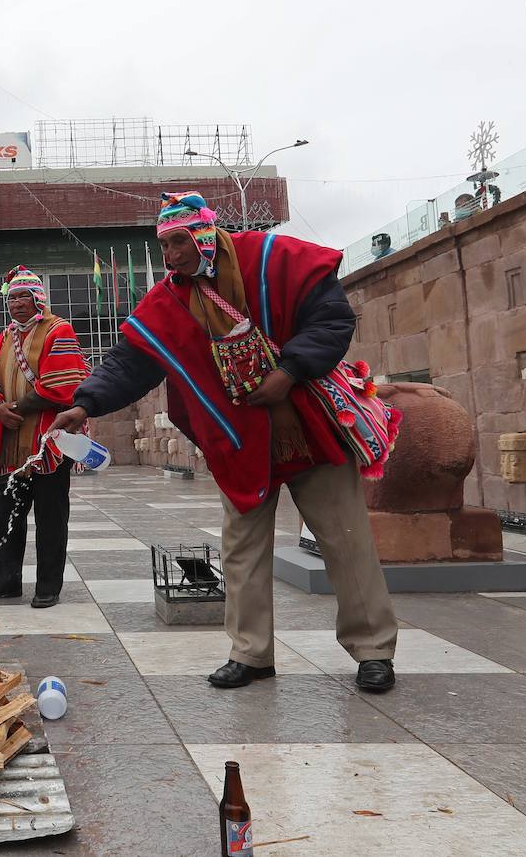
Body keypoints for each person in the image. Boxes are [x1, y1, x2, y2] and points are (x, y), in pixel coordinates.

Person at [51, 191, 399, 692]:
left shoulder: (272, 260)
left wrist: (288, 371)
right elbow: (130, 363)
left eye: (178, 242)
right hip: (239, 438)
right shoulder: (168, 300)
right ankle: (251, 653)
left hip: (308, 423)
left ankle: (372, 651)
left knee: (344, 538)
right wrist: (86, 403)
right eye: (163, 246)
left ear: (206, 235)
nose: (170, 257)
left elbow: (331, 319)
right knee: (240, 546)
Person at [0, 266, 89, 608]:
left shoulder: (58, 330)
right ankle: (4, 582)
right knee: (5, 514)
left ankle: (48, 586)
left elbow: (62, 383)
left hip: (48, 441)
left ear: (38, 298)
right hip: (10, 442)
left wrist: (14, 405)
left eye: (23, 297)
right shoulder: (4, 337)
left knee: (51, 517)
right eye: (12, 297)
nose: (16, 303)